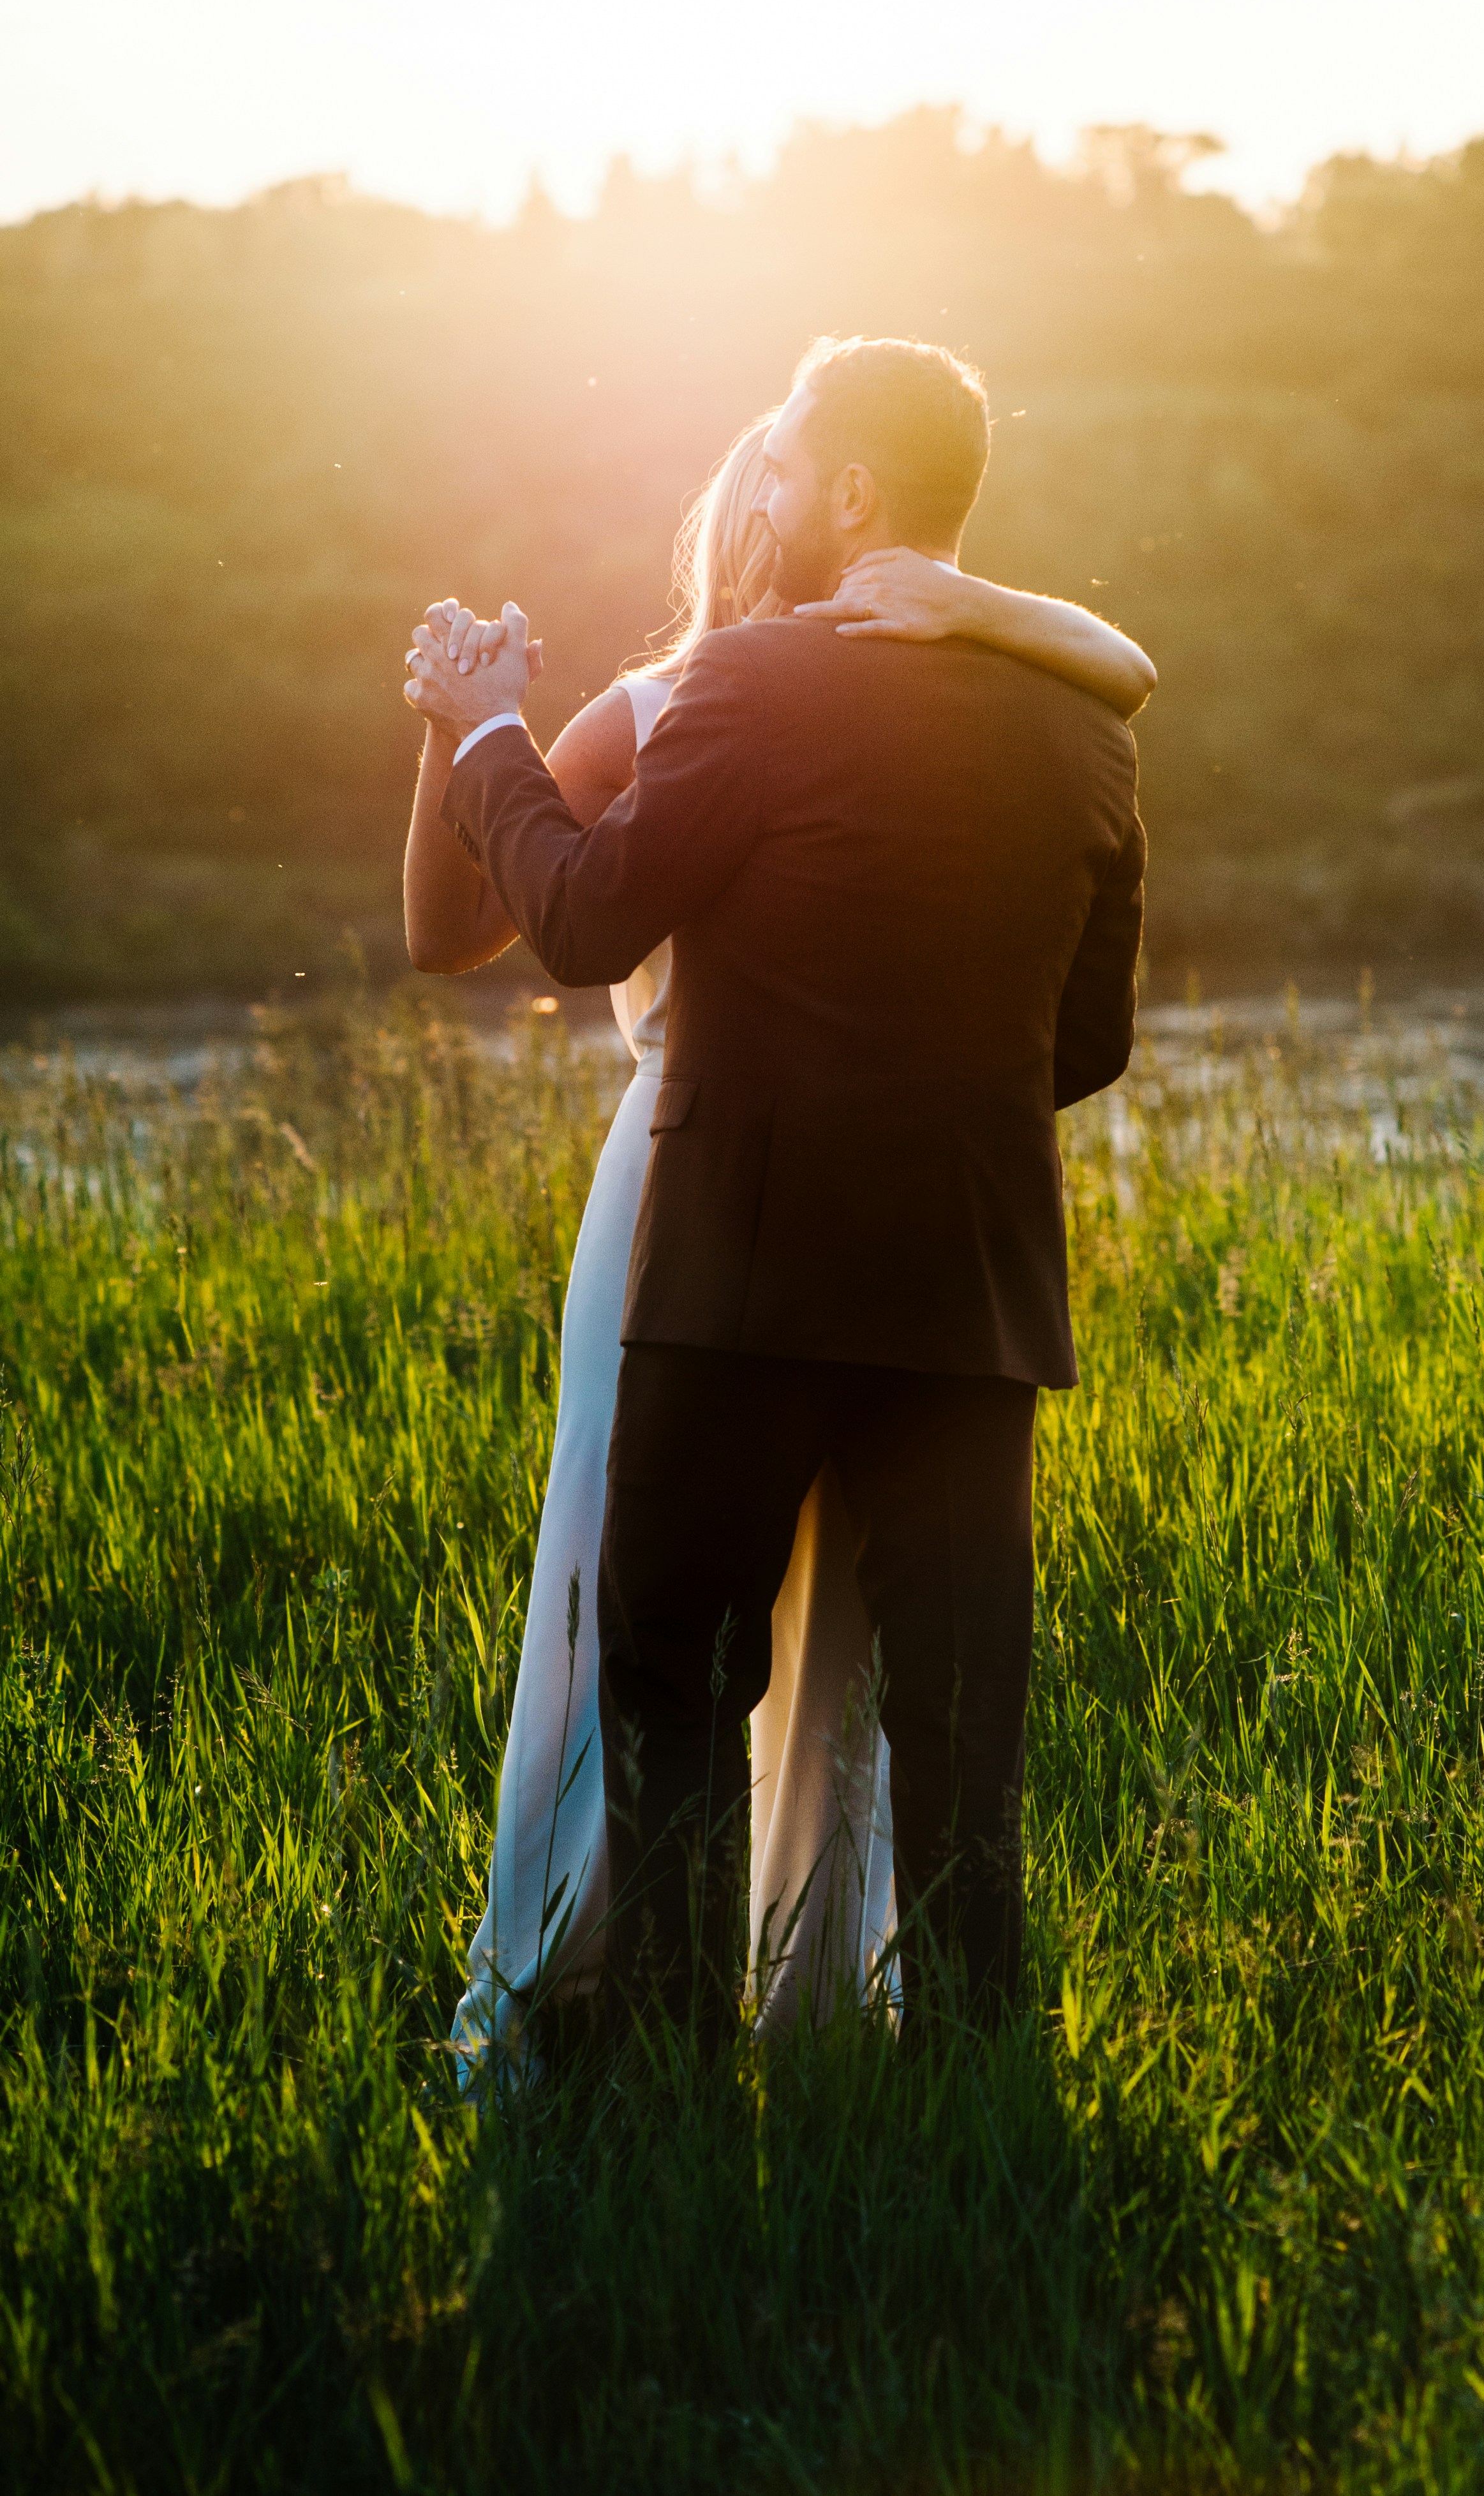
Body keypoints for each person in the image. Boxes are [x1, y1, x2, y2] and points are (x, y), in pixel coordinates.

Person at [405, 336, 1152, 2054]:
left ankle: (668, 2082)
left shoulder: (743, 678)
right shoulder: (1085, 730)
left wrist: (495, 735)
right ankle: (968, 2076)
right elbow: (1086, 1042)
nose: (775, 487)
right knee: (960, 1720)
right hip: (968, 1296)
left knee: (676, 1691)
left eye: (795, 461)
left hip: (730, 1277)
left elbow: (585, 925)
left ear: (853, 493)